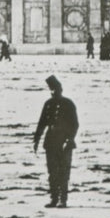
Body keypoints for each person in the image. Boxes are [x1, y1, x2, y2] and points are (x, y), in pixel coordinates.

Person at [32, 74, 79, 208]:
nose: (53, 92)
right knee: (52, 171)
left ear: (60, 89)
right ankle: (53, 198)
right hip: (50, 141)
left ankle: (62, 199)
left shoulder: (68, 104)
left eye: (55, 89)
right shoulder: (48, 104)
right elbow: (42, 123)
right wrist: (36, 140)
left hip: (64, 142)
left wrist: (70, 139)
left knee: (64, 172)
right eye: (51, 89)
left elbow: (75, 124)